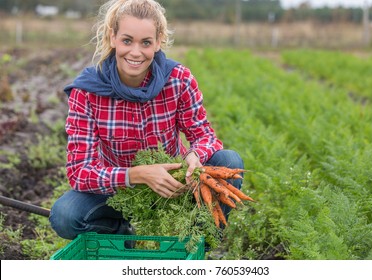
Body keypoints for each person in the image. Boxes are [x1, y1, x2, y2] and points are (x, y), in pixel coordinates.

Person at [49, 0, 243, 240]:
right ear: (113, 37)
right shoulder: (87, 91)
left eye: (146, 43)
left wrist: (194, 157)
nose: (136, 52)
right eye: (127, 40)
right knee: (65, 215)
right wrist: (136, 175)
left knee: (229, 160)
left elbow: (205, 136)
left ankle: (196, 241)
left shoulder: (177, 79)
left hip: (174, 185)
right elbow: (80, 172)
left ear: (158, 42)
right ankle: (122, 234)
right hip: (119, 191)